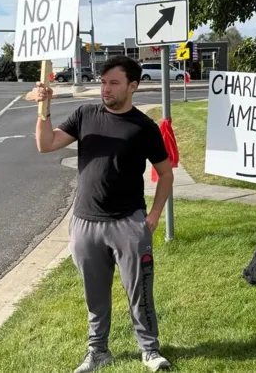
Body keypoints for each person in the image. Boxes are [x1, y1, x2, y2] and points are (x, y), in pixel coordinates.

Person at [33, 56, 174, 372]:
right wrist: (43, 109)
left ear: (132, 86)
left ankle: (149, 351)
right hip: (86, 224)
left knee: (140, 294)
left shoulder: (144, 127)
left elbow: (165, 174)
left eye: (113, 83)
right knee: (94, 296)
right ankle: (98, 351)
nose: (105, 89)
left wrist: (153, 218)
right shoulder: (86, 115)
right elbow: (46, 145)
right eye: (103, 82)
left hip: (128, 224)